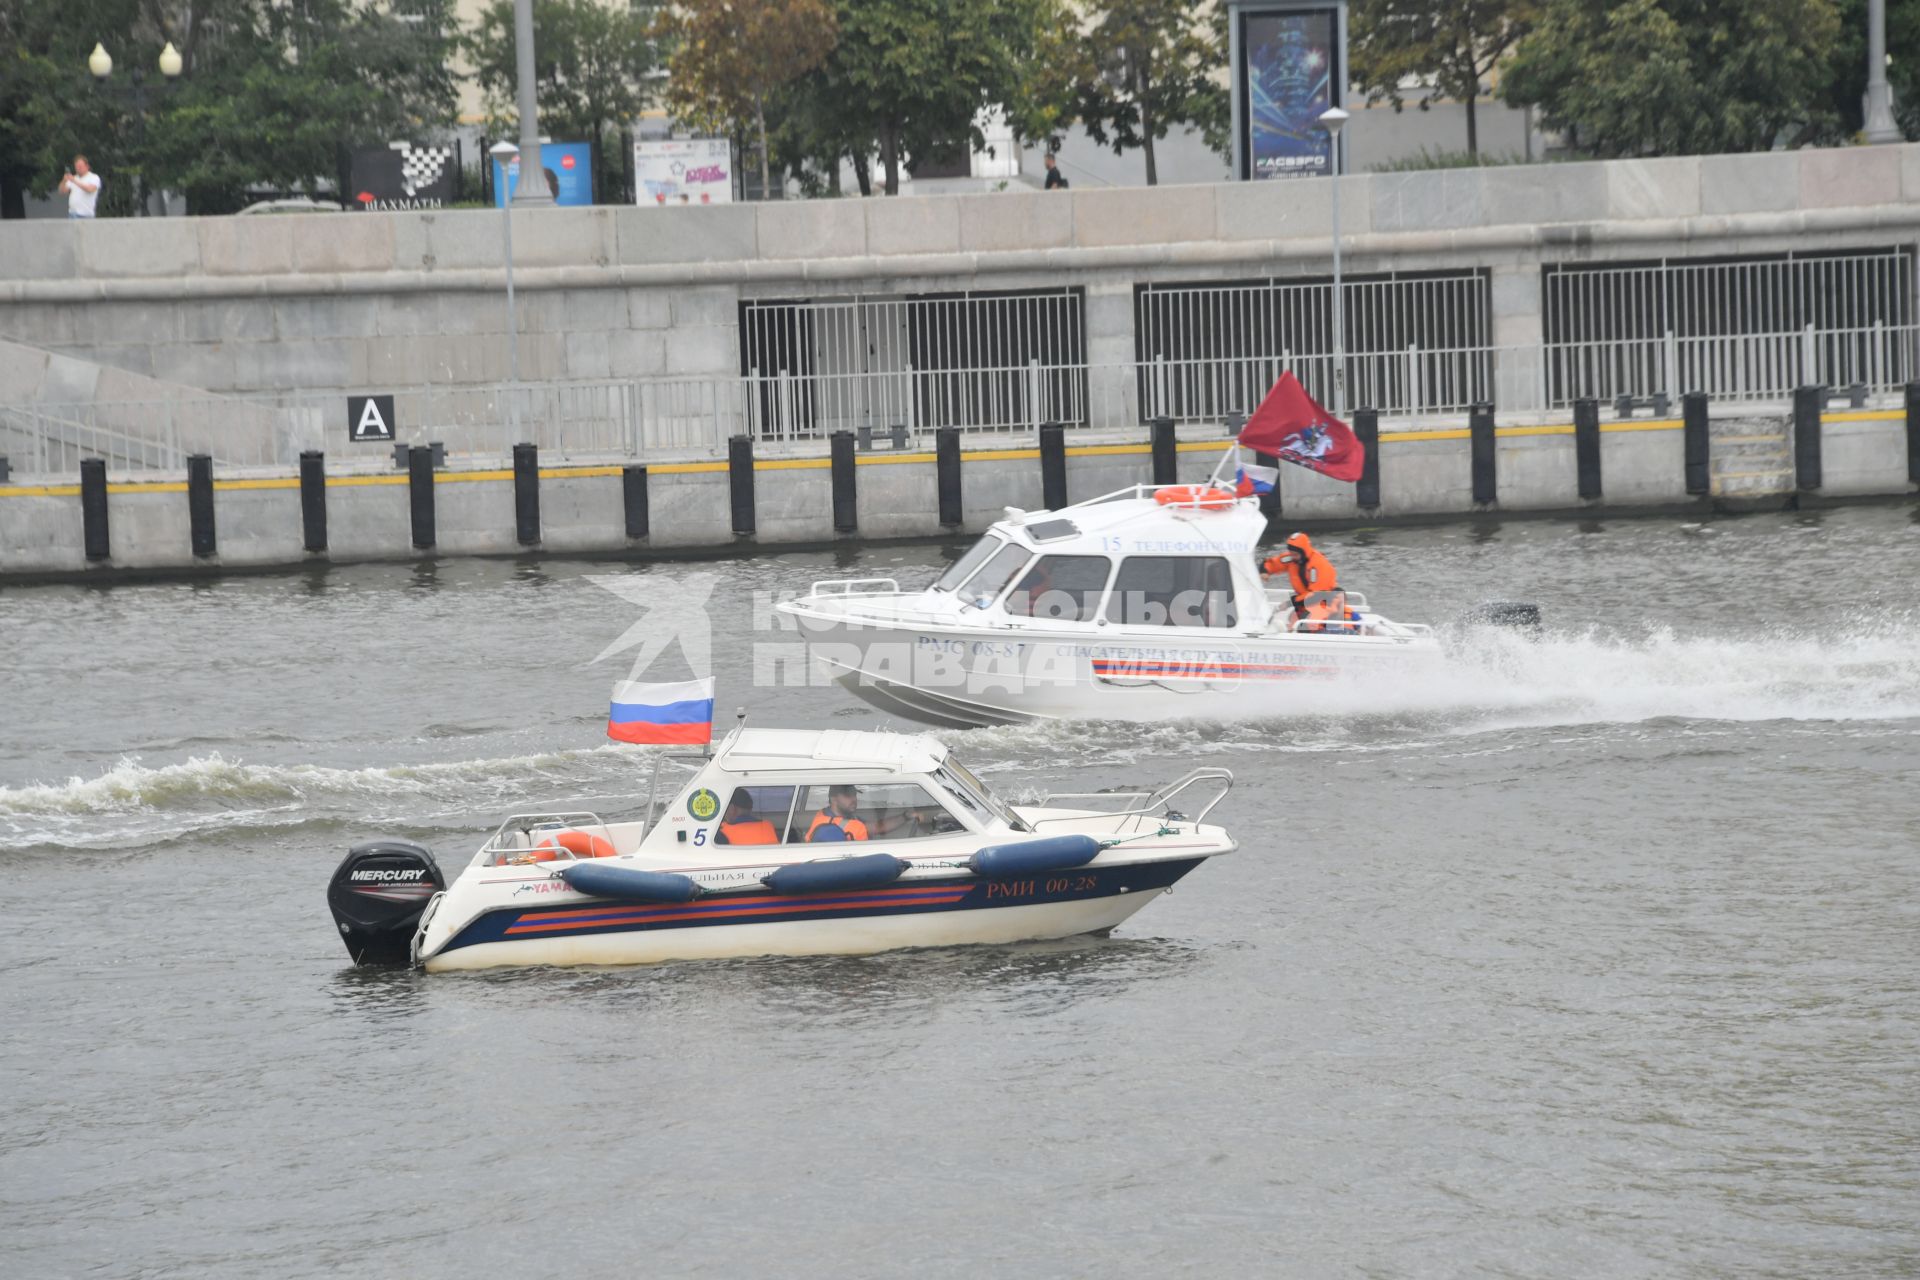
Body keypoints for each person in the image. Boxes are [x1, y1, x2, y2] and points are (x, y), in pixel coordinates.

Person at [1262, 532, 1337, 616]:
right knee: (1292, 621)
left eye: (1295, 554)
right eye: (1291, 553)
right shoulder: (1292, 558)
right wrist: (1265, 571)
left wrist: (1289, 603)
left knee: (1303, 624)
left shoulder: (1318, 565)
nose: (1293, 557)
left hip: (1323, 604)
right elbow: (1273, 563)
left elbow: (1316, 595)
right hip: (1304, 603)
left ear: (1304, 552)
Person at [806, 784, 872, 842]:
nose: (854, 799)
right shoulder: (858, 827)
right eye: (848, 795)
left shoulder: (821, 814)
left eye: (854, 794)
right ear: (833, 799)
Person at [59, 156, 101, 220]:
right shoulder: (74, 178)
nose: (78, 168)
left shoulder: (94, 177)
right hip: (72, 214)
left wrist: (74, 181)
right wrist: (64, 180)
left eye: (80, 166)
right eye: (76, 167)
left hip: (86, 215)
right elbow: (62, 191)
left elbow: (90, 189)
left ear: (87, 166)